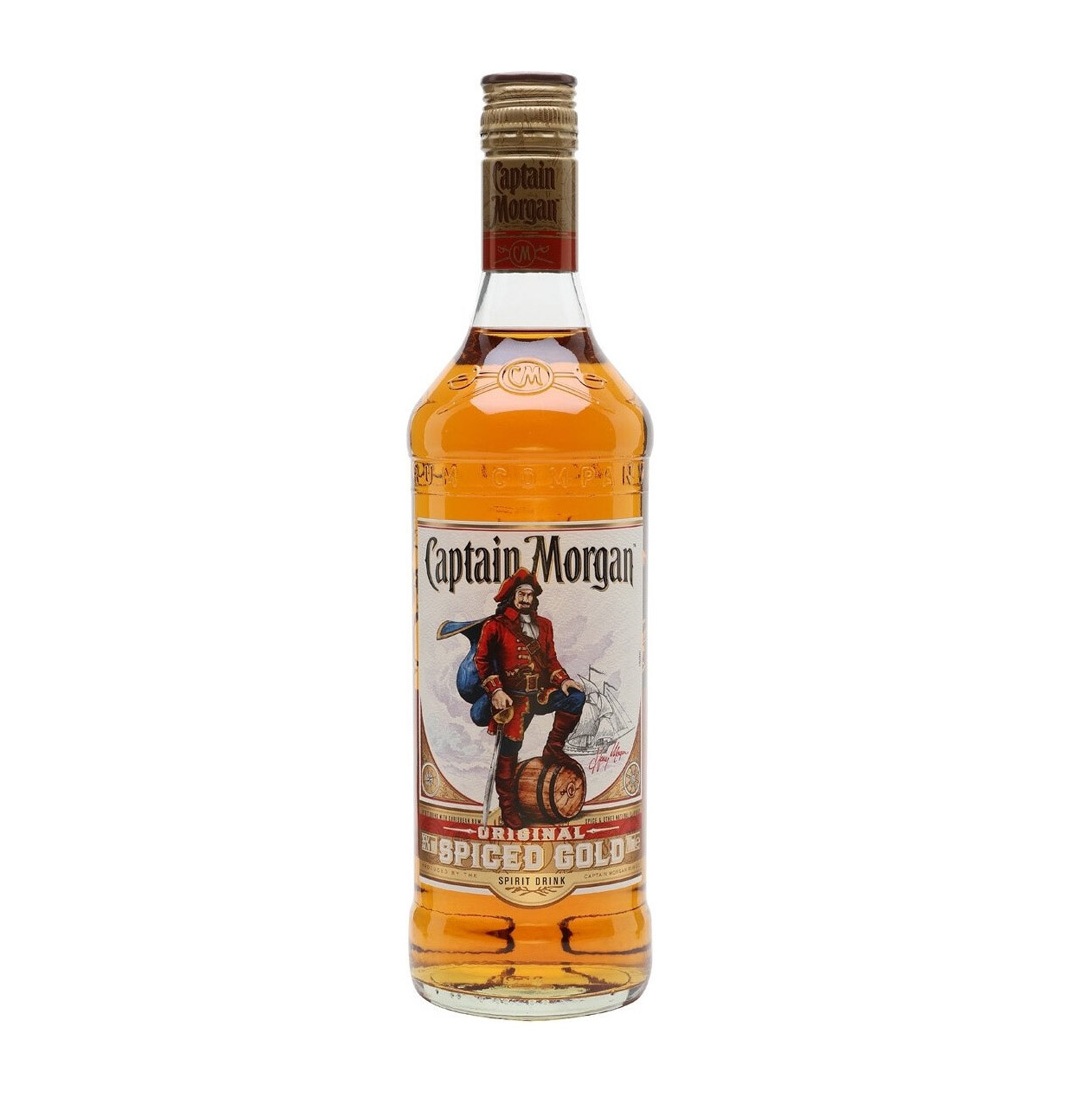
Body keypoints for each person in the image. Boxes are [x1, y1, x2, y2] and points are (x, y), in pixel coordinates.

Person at [472, 568, 585, 827]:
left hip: (540, 694)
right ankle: (507, 806)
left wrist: (563, 680)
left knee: (576, 698)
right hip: (513, 700)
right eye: (521, 594)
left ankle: (553, 748)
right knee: (509, 751)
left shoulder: (544, 625)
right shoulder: (495, 625)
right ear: (512, 596)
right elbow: (483, 661)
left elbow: (551, 660)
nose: (526, 599)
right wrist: (496, 691)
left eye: (530, 595)